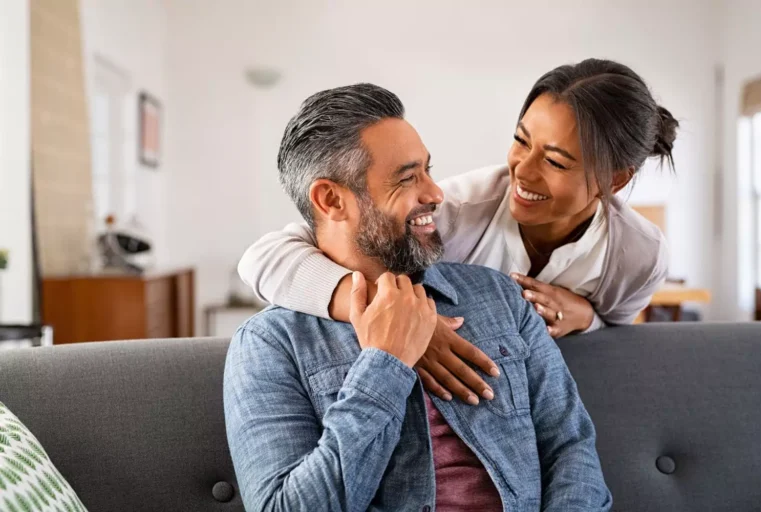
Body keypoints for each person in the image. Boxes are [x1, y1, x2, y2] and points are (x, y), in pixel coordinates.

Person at [224, 84, 611, 511]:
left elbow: (571, 446)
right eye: (408, 178)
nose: (435, 193)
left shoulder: (500, 296)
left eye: (428, 170)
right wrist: (384, 364)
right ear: (331, 199)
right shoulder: (270, 344)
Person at [237, 59, 677, 406]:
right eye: (521, 140)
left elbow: (619, 337)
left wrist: (588, 317)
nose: (521, 170)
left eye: (556, 161)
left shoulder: (639, 255)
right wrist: (396, 317)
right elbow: (264, 257)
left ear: (614, 181)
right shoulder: (459, 210)